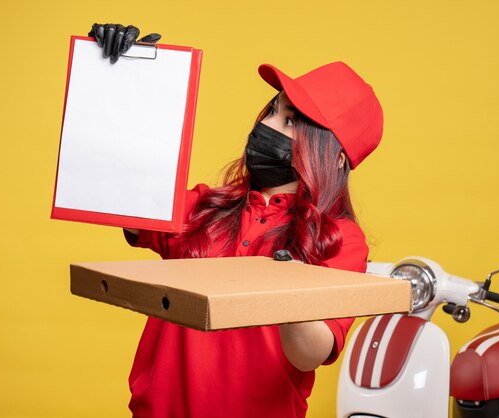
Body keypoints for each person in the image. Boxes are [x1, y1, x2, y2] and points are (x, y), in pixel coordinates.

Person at [89, 23, 384, 418]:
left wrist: (290, 288)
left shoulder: (340, 240)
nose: (266, 126)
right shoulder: (203, 208)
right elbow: (115, 188)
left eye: (291, 121)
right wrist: (121, 80)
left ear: (332, 155)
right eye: (272, 111)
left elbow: (310, 354)